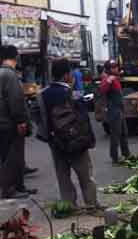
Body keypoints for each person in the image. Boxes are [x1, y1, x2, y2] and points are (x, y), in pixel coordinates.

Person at [40, 59, 99, 210]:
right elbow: (82, 118)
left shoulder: (43, 94)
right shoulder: (71, 93)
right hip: (76, 142)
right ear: (66, 75)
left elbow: (39, 115)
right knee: (85, 175)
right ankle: (91, 204)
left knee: (63, 176)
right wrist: (88, 139)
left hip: (56, 142)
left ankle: (69, 205)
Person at [0, 45, 36, 199]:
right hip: (10, 122)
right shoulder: (10, 75)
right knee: (13, 157)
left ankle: (19, 186)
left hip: (0, 121)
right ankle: (10, 189)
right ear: (15, 57)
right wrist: (21, 121)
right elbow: (15, 100)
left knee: (10, 157)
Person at [98, 60, 130, 163]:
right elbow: (102, 90)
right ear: (109, 69)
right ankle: (114, 158)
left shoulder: (115, 77)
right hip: (113, 110)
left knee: (124, 133)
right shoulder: (107, 79)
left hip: (119, 110)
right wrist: (108, 80)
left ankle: (126, 155)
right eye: (114, 67)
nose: (116, 68)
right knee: (115, 135)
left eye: (116, 66)